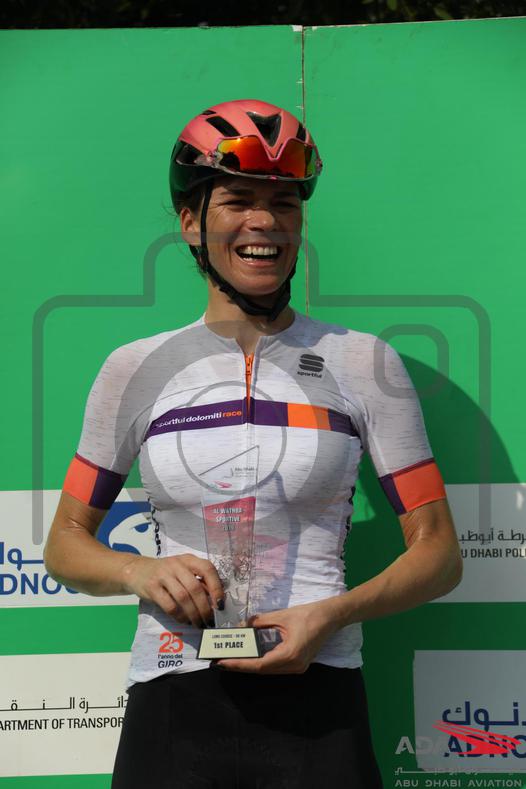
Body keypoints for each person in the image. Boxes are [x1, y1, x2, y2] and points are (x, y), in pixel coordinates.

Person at [44, 99, 463, 788]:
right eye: (238, 201)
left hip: (320, 694)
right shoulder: (134, 368)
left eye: (284, 204)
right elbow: (64, 543)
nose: (264, 222)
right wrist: (139, 572)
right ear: (190, 222)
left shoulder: (364, 363)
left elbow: (439, 553)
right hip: (174, 694)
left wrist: (332, 613)